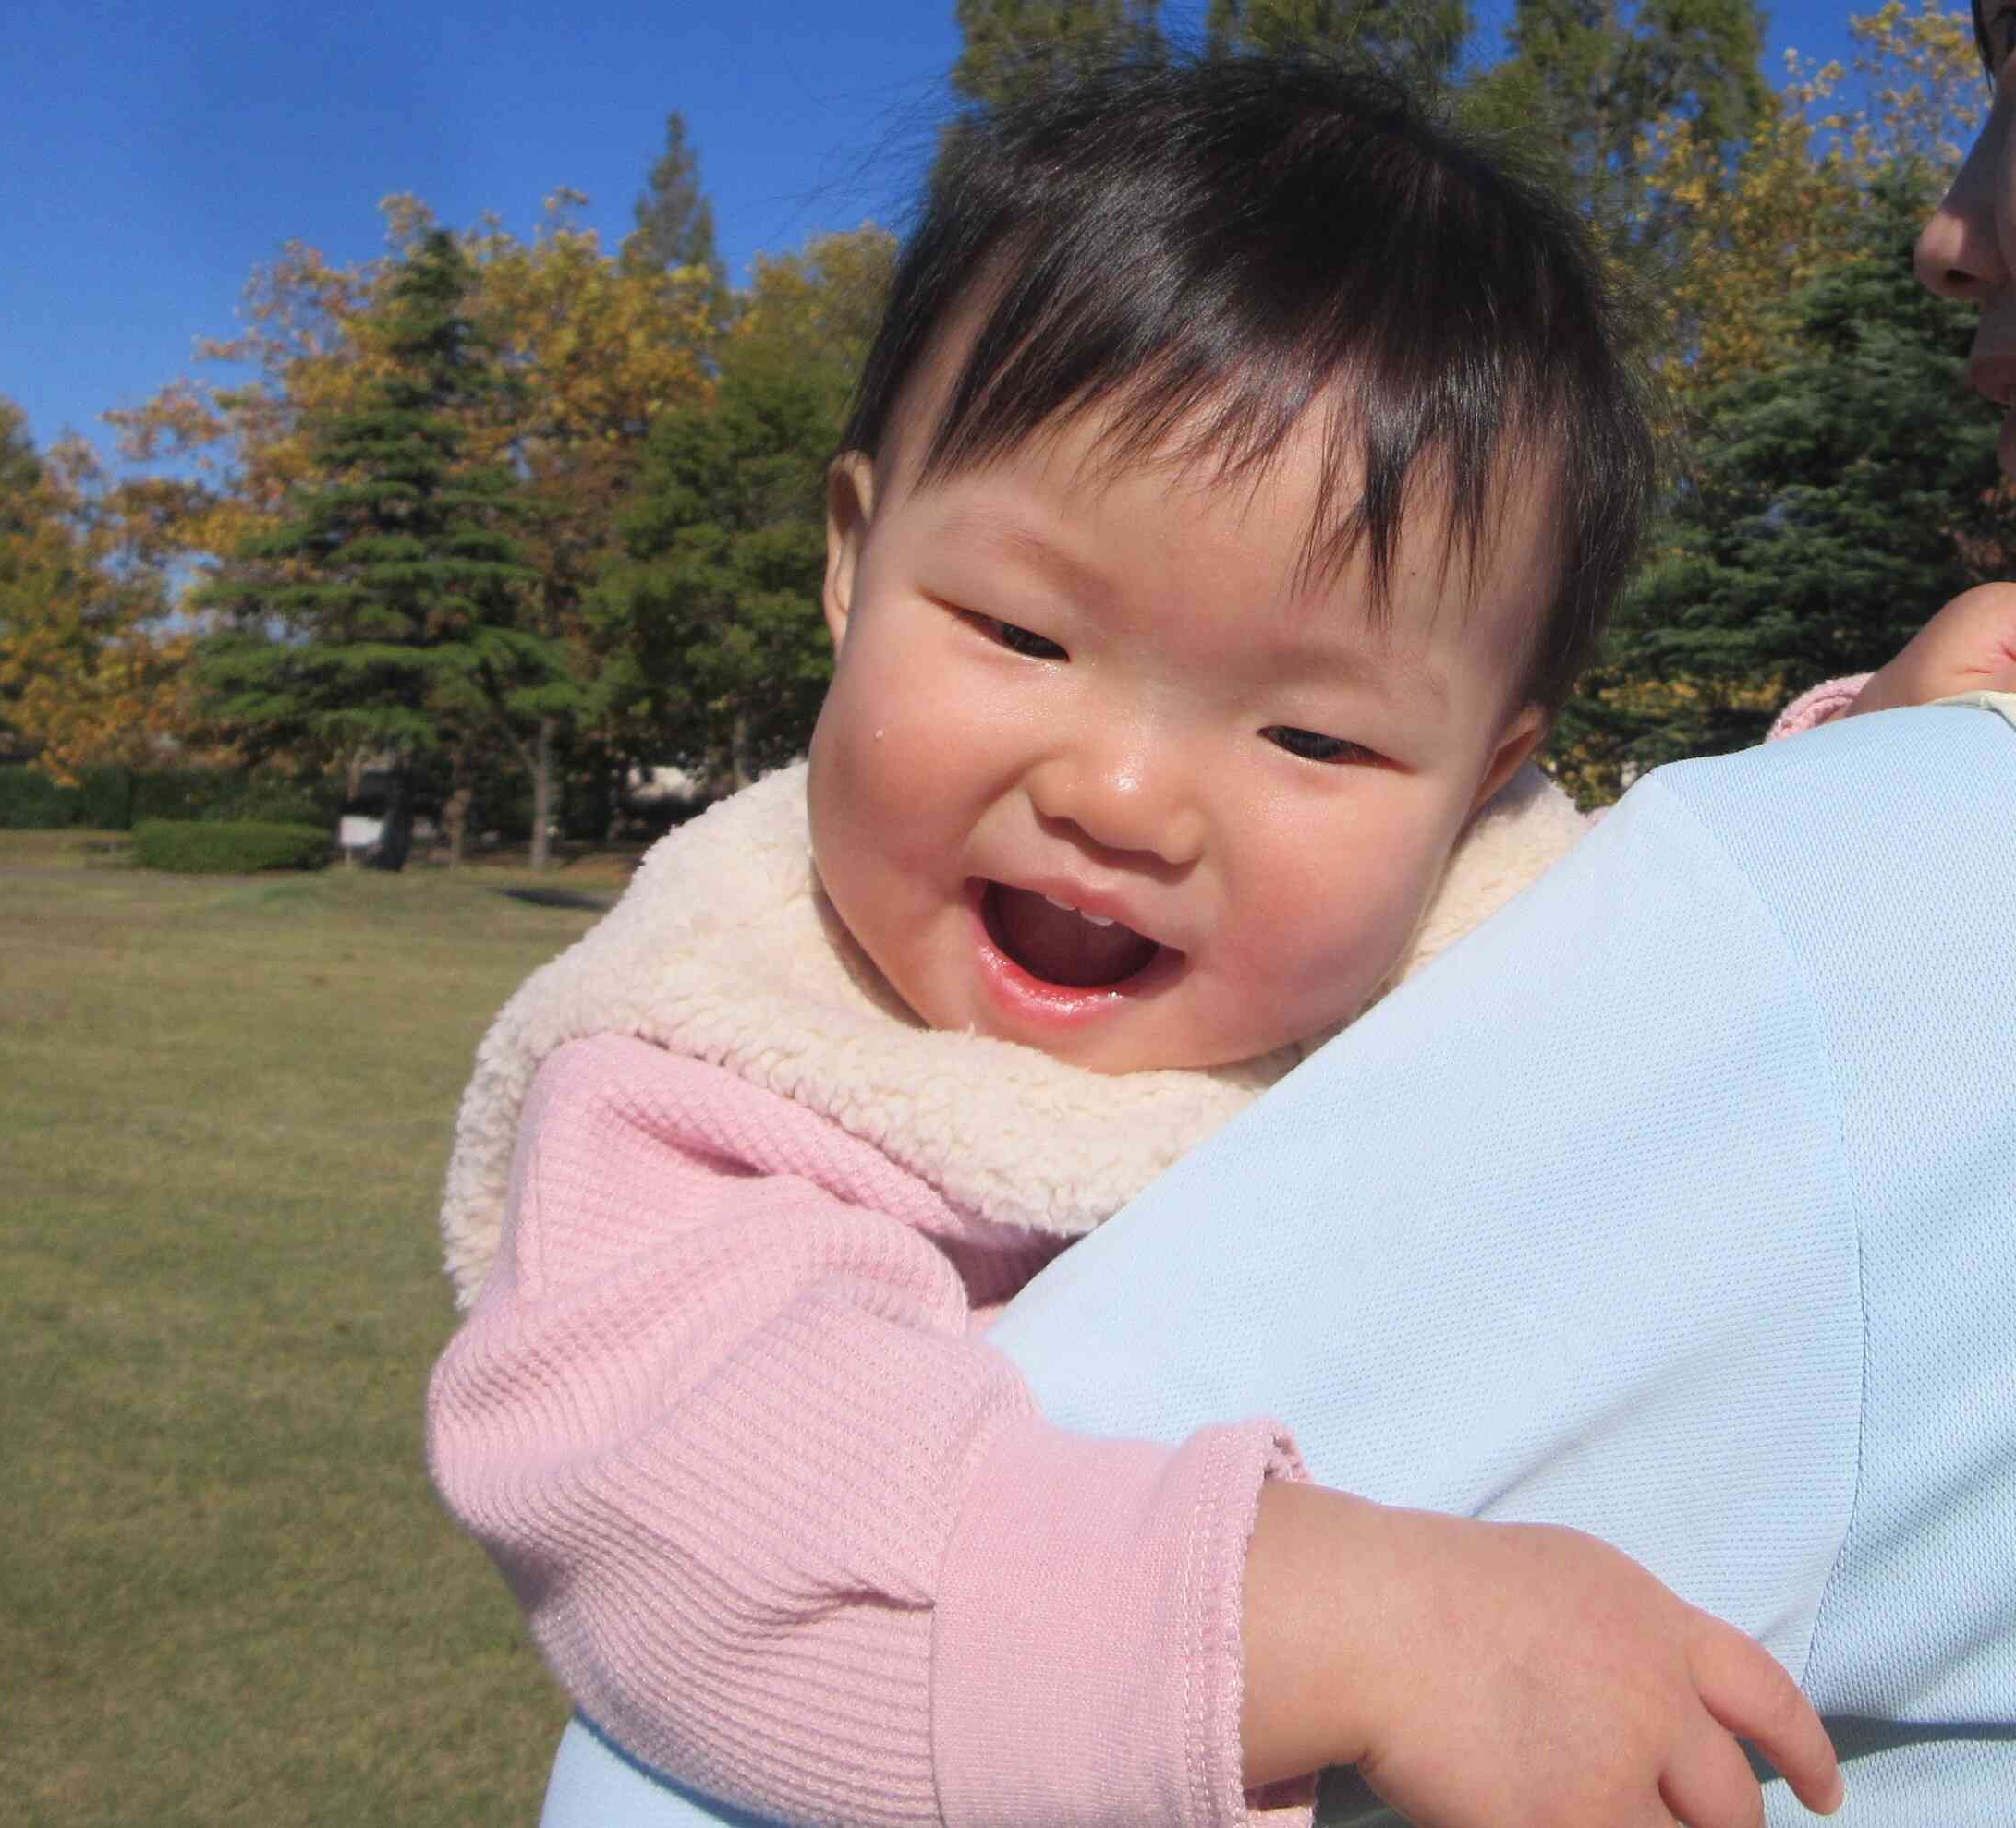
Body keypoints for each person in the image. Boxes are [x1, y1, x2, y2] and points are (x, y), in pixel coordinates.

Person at [524, 17, 2016, 1828]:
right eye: (1023, 635)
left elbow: (1670, 947)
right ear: (854, 555)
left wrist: (1867, 750)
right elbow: (707, 1559)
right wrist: (1351, 1629)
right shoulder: (722, 1086)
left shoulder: (1482, 915)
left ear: (1484, 780)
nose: (1125, 799)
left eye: (1312, 733)